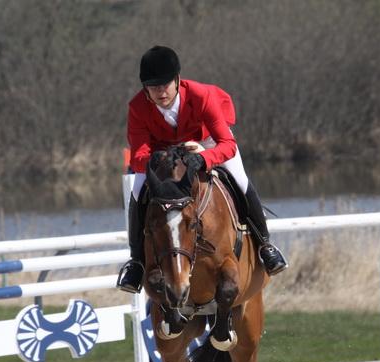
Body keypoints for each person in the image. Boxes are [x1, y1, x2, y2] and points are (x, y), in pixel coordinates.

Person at [117, 45, 288, 294]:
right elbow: (138, 156)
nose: (160, 92)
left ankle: (265, 245)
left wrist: (203, 158)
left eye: (165, 84)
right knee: (137, 189)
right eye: (153, 87)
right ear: (145, 88)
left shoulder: (201, 95)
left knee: (239, 179)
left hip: (207, 142)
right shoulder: (137, 107)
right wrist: (162, 158)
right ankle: (136, 262)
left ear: (177, 79)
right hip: (162, 152)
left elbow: (227, 144)